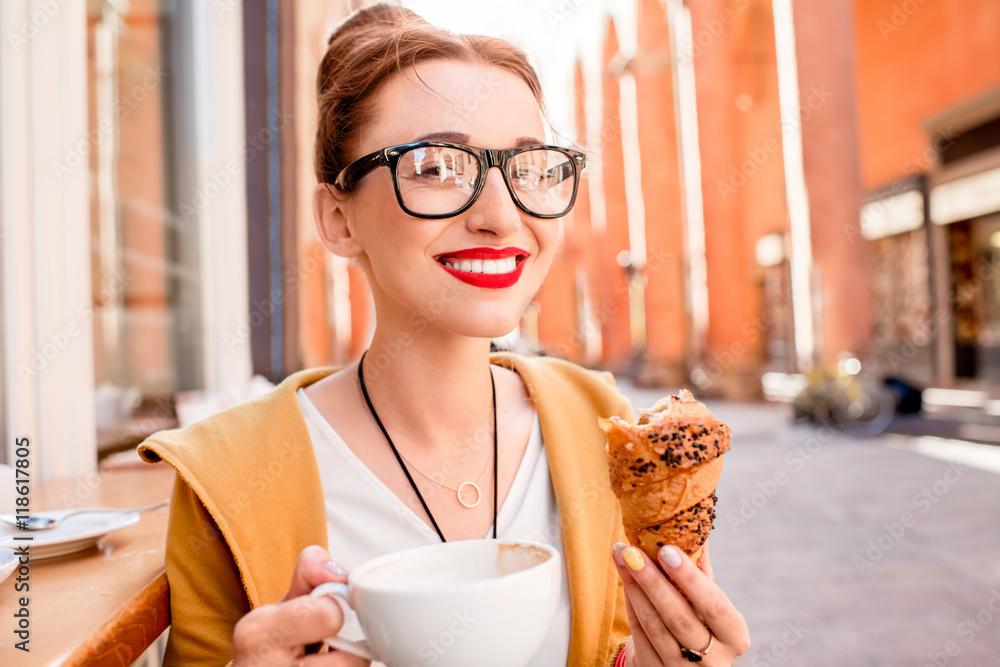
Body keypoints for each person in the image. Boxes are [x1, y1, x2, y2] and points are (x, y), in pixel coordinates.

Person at [138, 4, 750, 666]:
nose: (501, 215)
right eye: (435, 166)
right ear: (338, 218)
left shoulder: (610, 428)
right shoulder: (225, 477)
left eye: (530, 168)